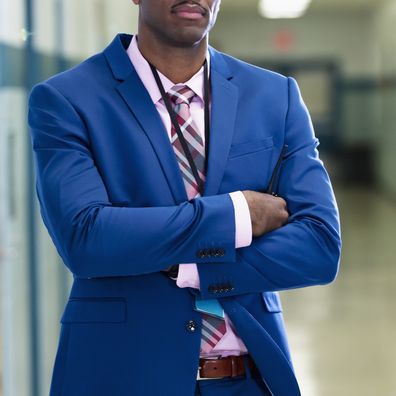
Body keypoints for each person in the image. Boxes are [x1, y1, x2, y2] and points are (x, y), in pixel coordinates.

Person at [27, 0, 341, 395]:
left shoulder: (275, 97)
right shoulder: (67, 100)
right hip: (121, 376)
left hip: (249, 378)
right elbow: (86, 238)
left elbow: (320, 246)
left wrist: (191, 268)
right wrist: (237, 214)